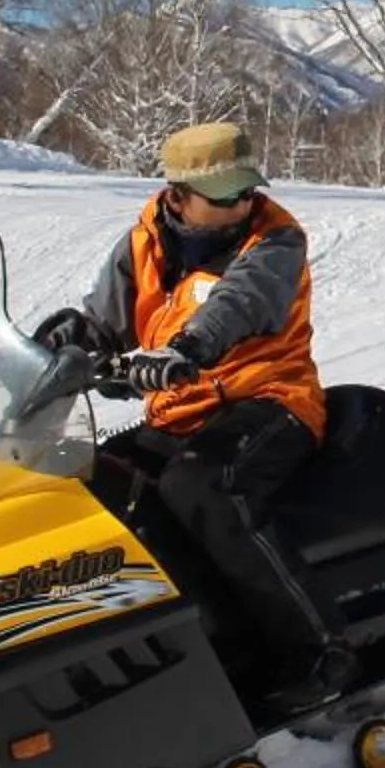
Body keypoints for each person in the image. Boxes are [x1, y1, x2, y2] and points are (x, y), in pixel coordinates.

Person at [32, 121, 350, 719]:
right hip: (183, 412)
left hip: (270, 400)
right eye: (225, 194)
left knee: (205, 486)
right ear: (177, 197)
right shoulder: (142, 245)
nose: (242, 204)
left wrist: (187, 351)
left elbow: (240, 303)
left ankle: (319, 649)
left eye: (246, 190)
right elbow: (105, 324)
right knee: (94, 483)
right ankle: (179, 642)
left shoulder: (276, 239)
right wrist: (53, 348)